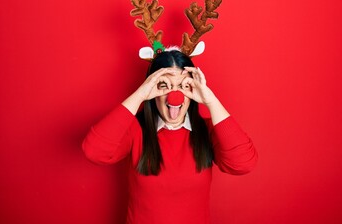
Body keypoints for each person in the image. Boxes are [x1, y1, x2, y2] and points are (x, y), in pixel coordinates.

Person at [82, 50, 258, 224]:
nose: (175, 95)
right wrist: (140, 95)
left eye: (183, 86)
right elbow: (94, 151)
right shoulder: (135, 130)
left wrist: (211, 101)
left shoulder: (207, 130)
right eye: (164, 86)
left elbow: (243, 164)